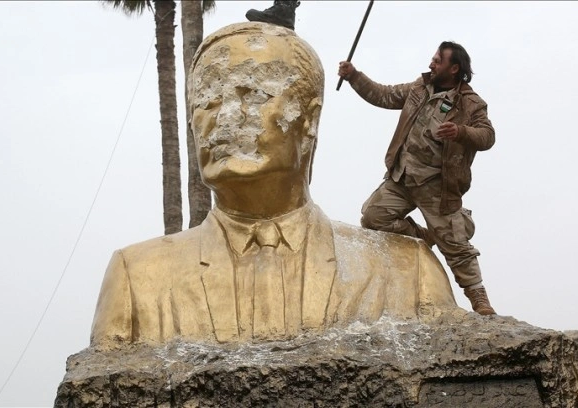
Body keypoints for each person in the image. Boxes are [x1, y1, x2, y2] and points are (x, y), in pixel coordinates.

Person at [89, 23, 459, 348]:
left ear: (309, 119)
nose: (227, 118)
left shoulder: (409, 272)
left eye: (254, 95)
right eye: (207, 102)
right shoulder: (135, 278)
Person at [338, 41, 497, 316]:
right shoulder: (419, 88)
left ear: (454, 68)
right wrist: (354, 76)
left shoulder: (471, 104)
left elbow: (487, 136)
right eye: (433, 58)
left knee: (456, 247)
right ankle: (425, 235)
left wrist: (460, 131)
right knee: (373, 216)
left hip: (437, 185)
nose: (431, 63)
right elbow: (384, 95)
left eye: (438, 60)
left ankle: (479, 297)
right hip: (402, 177)